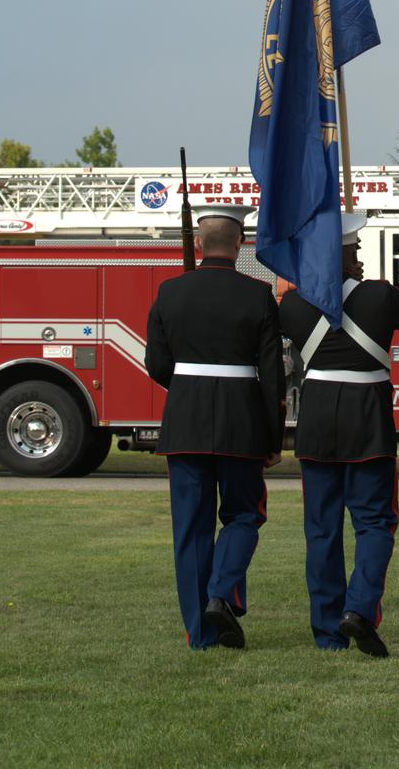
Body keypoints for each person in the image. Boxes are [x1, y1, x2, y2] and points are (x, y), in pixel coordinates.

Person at [145, 205, 285, 650]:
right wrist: (274, 434)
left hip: (185, 424)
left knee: (191, 528)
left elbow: (156, 364)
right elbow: (273, 376)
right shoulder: (258, 295)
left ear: (199, 244)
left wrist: (189, 388)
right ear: (241, 244)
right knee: (244, 514)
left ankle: (201, 633)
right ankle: (222, 594)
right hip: (241, 423)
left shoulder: (169, 292)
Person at [278, 213, 399, 657]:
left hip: (316, 422)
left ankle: (328, 631)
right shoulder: (380, 296)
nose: (362, 261)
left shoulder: (292, 305)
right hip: (366, 419)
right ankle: (359, 608)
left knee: (322, 530)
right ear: (347, 254)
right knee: (374, 522)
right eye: (357, 252)